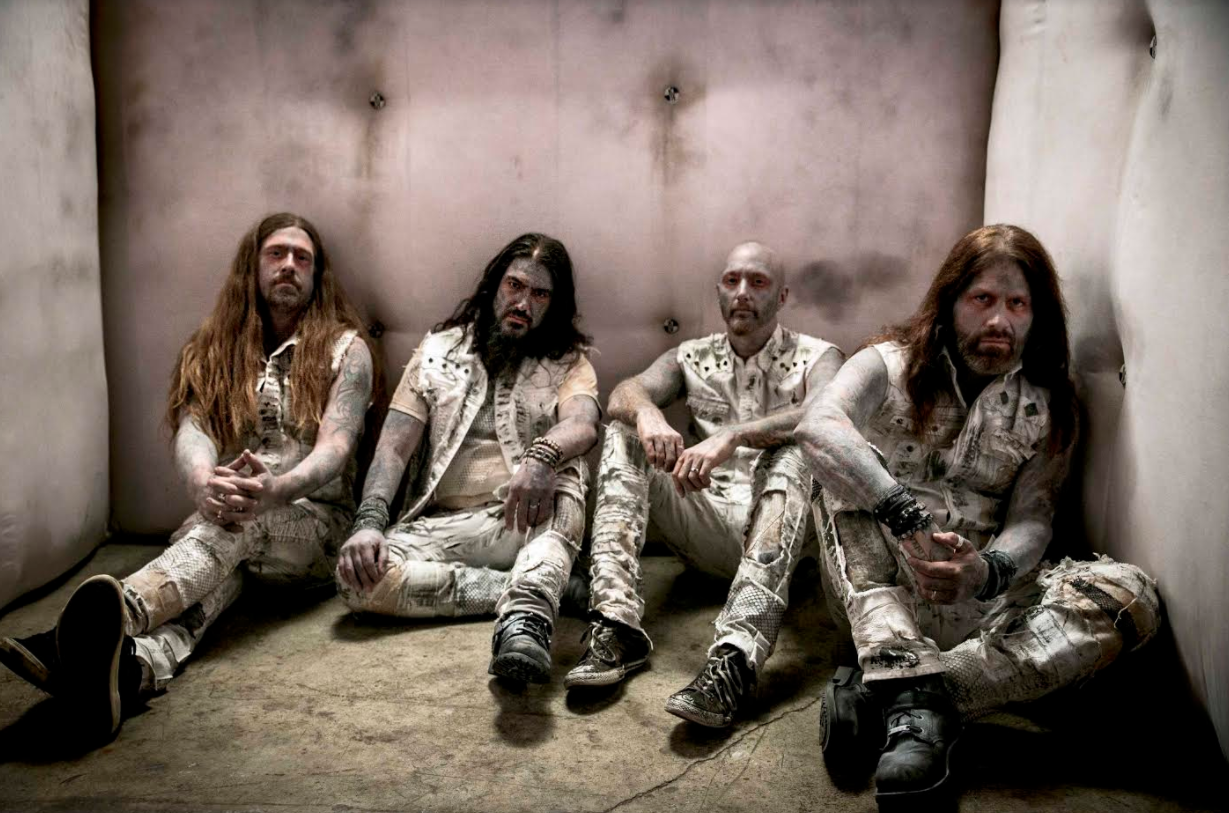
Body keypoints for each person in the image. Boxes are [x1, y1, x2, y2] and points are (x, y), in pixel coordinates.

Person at [795, 224, 1160, 806]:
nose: (999, 320)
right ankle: (907, 688)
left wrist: (987, 570)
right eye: (982, 299)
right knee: (837, 468)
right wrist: (902, 512)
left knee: (1131, 597)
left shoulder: (1050, 404)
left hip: (982, 598)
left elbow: (1034, 517)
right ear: (949, 302)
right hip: (880, 590)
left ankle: (909, 697)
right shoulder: (885, 364)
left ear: (1036, 316)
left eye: (1017, 304)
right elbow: (817, 426)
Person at [0, 212, 376, 741]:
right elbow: (193, 429)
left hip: (316, 529)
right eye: (276, 253)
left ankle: (106, 618)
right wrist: (202, 482)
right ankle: (129, 673)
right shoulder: (213, 347)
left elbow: (336, 446)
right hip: (229, 525)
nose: (289, 265)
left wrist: (277, 491)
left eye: (303, 258)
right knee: (210, 584)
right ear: (253, 266)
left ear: (317, 275)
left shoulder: (347, 350)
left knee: (239, 523)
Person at [566, 241, 844, 728]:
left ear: (781, 296)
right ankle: (615, 624)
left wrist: (735, 436)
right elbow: (627, 392)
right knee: (625, 432)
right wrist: (648, 414)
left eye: (758, 282)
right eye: (732, 281)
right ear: (719, 291)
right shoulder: (692, 356)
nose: (742, 292)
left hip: (786, 545)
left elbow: (827, 413)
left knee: (800, 448)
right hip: (706, 524)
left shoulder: (819, 356)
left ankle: (735, 659)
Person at [335, 233, 600, 685]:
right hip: (444, 526)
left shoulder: (568, 362)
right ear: (495, 286)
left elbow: (582, 424)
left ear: (553, 305)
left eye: (539, 294)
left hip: (524, 521)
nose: (523, 303)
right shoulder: (437, 351)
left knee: (567, 465)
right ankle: (539, 588)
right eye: (515, 286)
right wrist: (369, 523)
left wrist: (541, 457)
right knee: (357, 580)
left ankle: (526, 622)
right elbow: (393, 448)